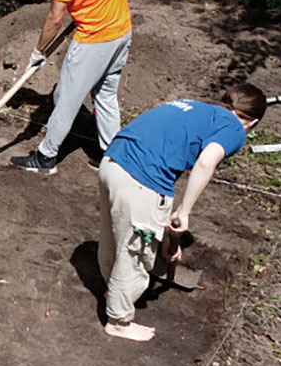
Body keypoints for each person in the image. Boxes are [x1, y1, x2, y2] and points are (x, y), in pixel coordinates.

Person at [97, 83, 266, 342]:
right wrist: (184, 211)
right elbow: (206, 161)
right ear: (252, 122)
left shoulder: (194, 107)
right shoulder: (234, 128)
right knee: (135, 254)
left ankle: (112, 289)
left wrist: (165, 237)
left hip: (112, 162)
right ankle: (119, 321)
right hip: (142, 177)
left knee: (115, 235)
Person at [11, 0, 133, 175]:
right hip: (121, 31)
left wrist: (38, 52)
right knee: (105, 96)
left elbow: (55, 19)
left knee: (65, 98)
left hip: (94, 40)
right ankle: (115, 159)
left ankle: (45, 158)